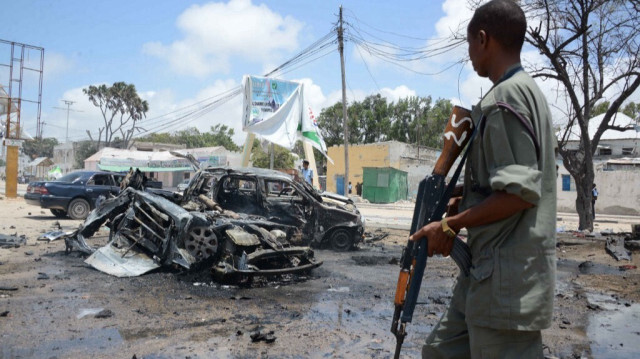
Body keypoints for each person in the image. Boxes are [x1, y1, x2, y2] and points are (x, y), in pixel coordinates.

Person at [412, 1, 557, 357]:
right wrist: (465, 195)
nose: (469, 54)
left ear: (483, 39)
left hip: (506, 284)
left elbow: (520, 193)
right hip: (484, 273)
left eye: (468, 44)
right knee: (439, 352)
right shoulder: (521, 92)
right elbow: (504, 181)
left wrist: (450, 226)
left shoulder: (505, 98)